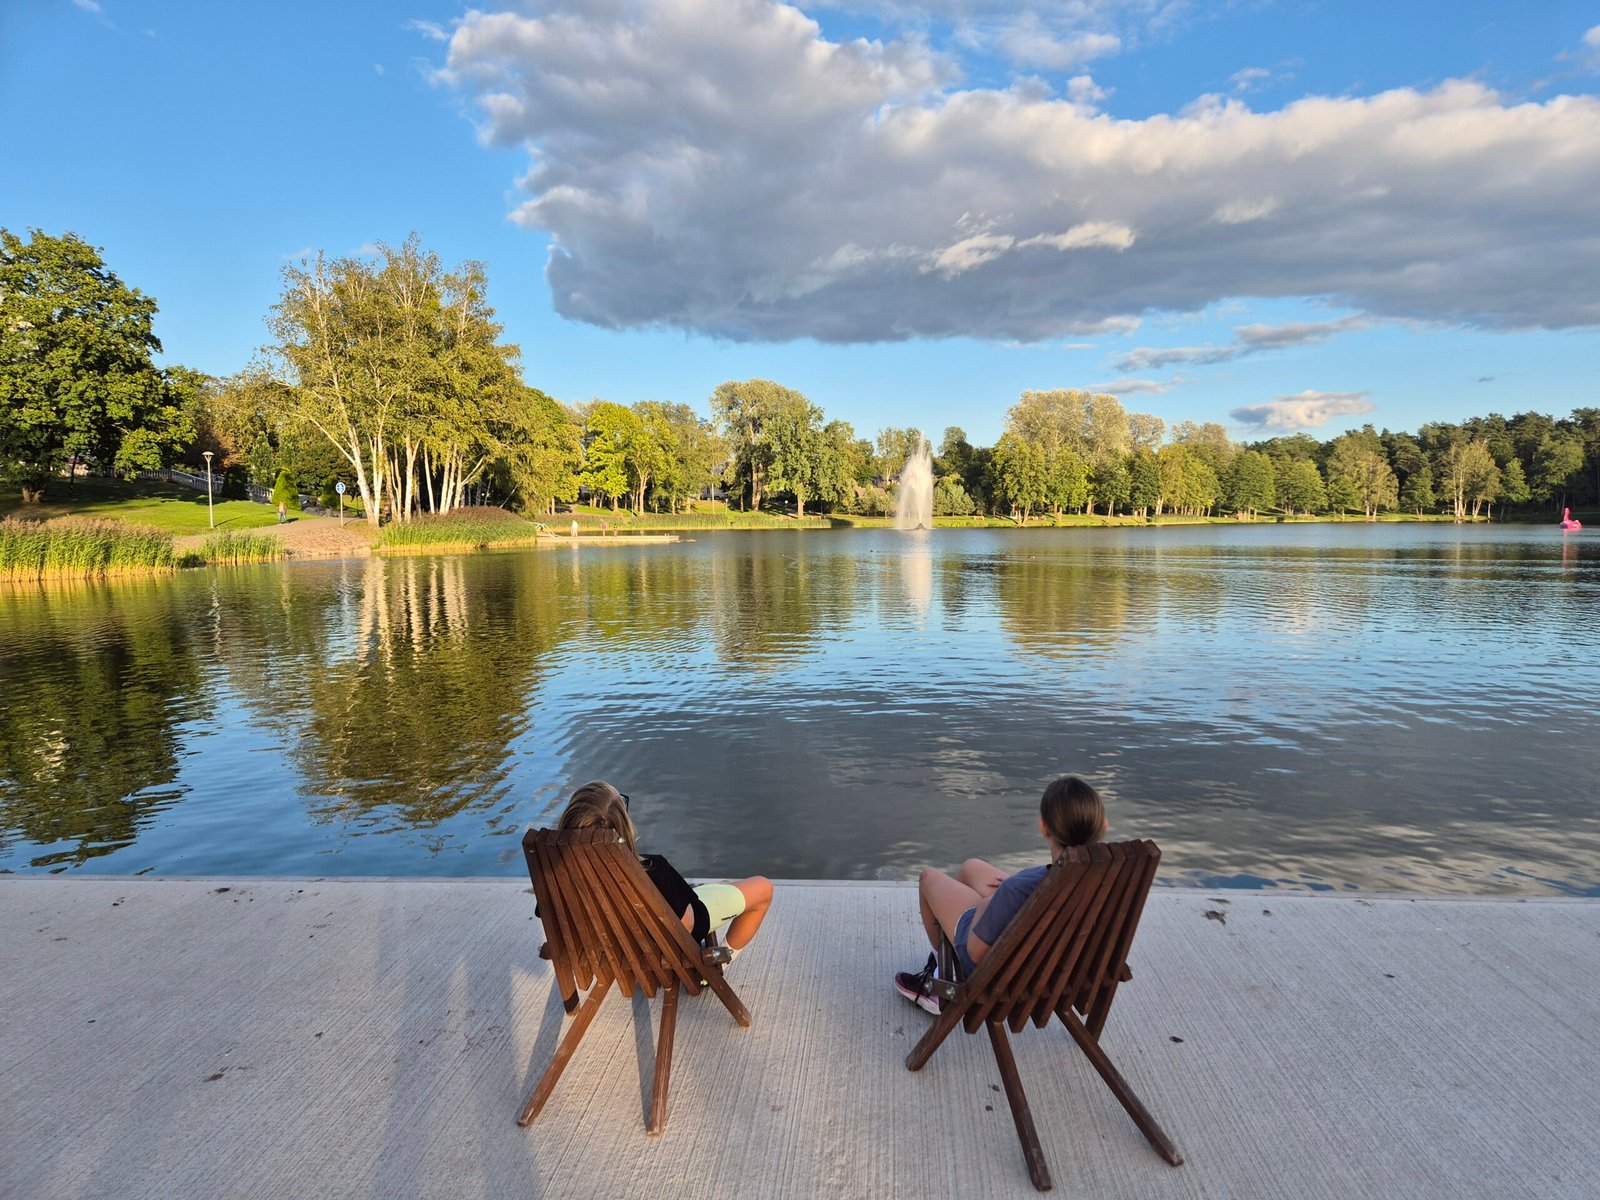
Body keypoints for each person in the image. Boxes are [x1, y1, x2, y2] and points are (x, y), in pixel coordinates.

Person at [893, 775, 1108, 1015]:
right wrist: (1014, 888)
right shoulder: (1108, 877)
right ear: (1104, 826)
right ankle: (944, 964)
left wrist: (988, 903)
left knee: (928, 878)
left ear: (1044, 827)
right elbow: (1044, 890)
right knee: (971, 867)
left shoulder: (1017, 890)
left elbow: (975, 952)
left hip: (1006, 964)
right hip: (1059, 956)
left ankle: (942, 978)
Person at [556, 780, 773, 957]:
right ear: (623, 826)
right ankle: (720, 963)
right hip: (661, 940)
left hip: (617, 944)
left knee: (713, 889)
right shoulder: (653, 871)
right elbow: (686, 928)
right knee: (763, 888)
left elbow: (556, 924)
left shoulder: (556, 879)